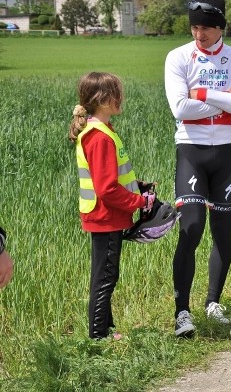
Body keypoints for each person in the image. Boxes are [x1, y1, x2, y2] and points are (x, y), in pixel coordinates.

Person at [165, 0, 231, 336]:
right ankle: (182, 312)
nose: (199, 34)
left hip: (225, 153)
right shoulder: (178, 57)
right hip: (191, 150)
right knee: (190, 230)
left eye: (206, 28)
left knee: (223, 232)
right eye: (194, 28)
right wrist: (226, 100)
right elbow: (179, 108)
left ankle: (213, 302)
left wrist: (201, 94)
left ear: (221, 26)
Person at [69, 72, 155, 339]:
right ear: (104, 99)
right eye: (117, 93)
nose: (121, 98)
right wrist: (140, 202)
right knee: (105, 278)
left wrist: (136, 186)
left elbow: (111, 177)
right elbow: (106, 188)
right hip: (105, 216)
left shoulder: (102, 131)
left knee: (106, 274)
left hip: (106, 216)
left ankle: (106, 330)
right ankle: (99, 337)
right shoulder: (100, 137)